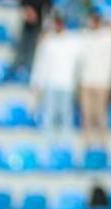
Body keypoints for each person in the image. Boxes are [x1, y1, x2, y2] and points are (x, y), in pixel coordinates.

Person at [31, 15, 83, 145]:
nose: (58, 26)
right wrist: (36, 82)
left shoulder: (73, 41)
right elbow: (41, 63)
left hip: (67, 84)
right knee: (49, 115)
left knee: (66, 116)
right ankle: (49, 146)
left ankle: (66, 148)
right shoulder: (48, 42)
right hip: (51, 84)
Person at [78, 11, 111, 149]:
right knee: (86, 116)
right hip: (86, 82)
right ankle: (88, 146)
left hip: (103, 83)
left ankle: (104, 145)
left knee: (101, 115)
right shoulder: (85, 36)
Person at [9, 0, 51, 79]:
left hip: (39, 23)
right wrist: (27, 10)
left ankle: (29, 70)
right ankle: (16, 69)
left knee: (34, 48)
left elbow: (48, 8)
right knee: (22, 46)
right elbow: (22, 3)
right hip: (27, 22)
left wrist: (45, 27)